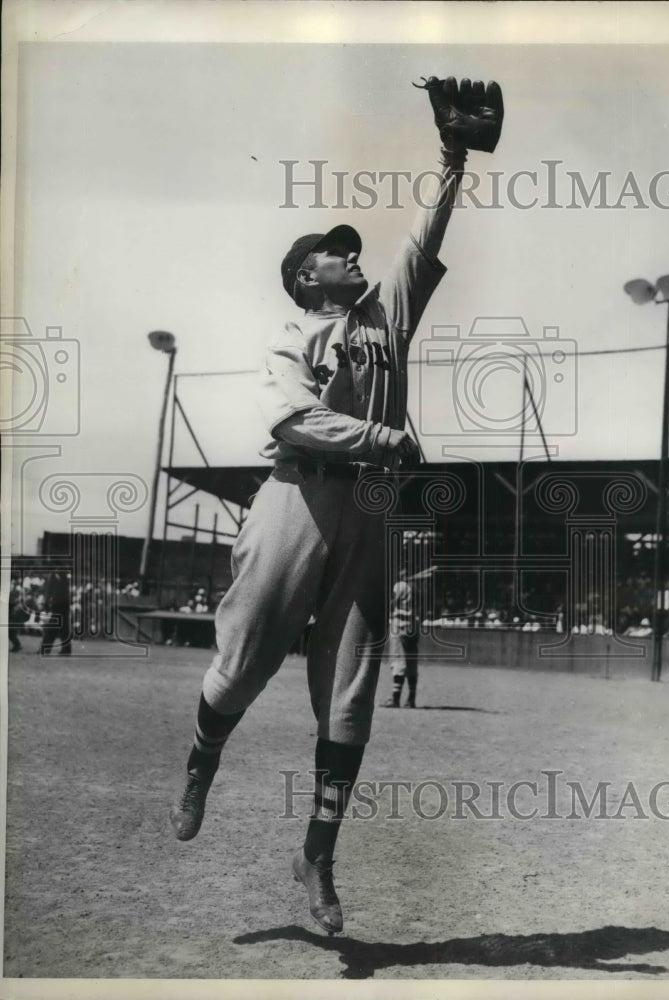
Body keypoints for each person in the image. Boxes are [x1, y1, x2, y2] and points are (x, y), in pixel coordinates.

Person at [169, 75, 503, 935]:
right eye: (331, 249)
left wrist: (454, 156)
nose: (350, 254)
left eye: (349, 247)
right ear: (301, 275)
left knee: (351, 698)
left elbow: (425, 237)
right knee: (239, 670)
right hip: (294, 502)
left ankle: (317, 854)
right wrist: (384, 439)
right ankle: (203, 761)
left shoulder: (385, 315)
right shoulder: (292, 335)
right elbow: (293, 420)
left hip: (367, 518)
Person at [383, 568, 420, 708]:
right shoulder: (415, 586)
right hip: (413, 626)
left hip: (400, 625)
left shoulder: (400, 586)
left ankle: (395, 698)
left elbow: (391, 602)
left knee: (398, 660)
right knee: (411, 662)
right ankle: (411, 698)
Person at [39, 571, 72, 656]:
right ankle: (66, 649)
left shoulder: (54, 576)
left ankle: (45, 649)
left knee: (52, 628)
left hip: (58, 605)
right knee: (64, 629)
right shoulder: (64, 577)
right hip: (64, 605)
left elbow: (49, 591)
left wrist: (46, 603)